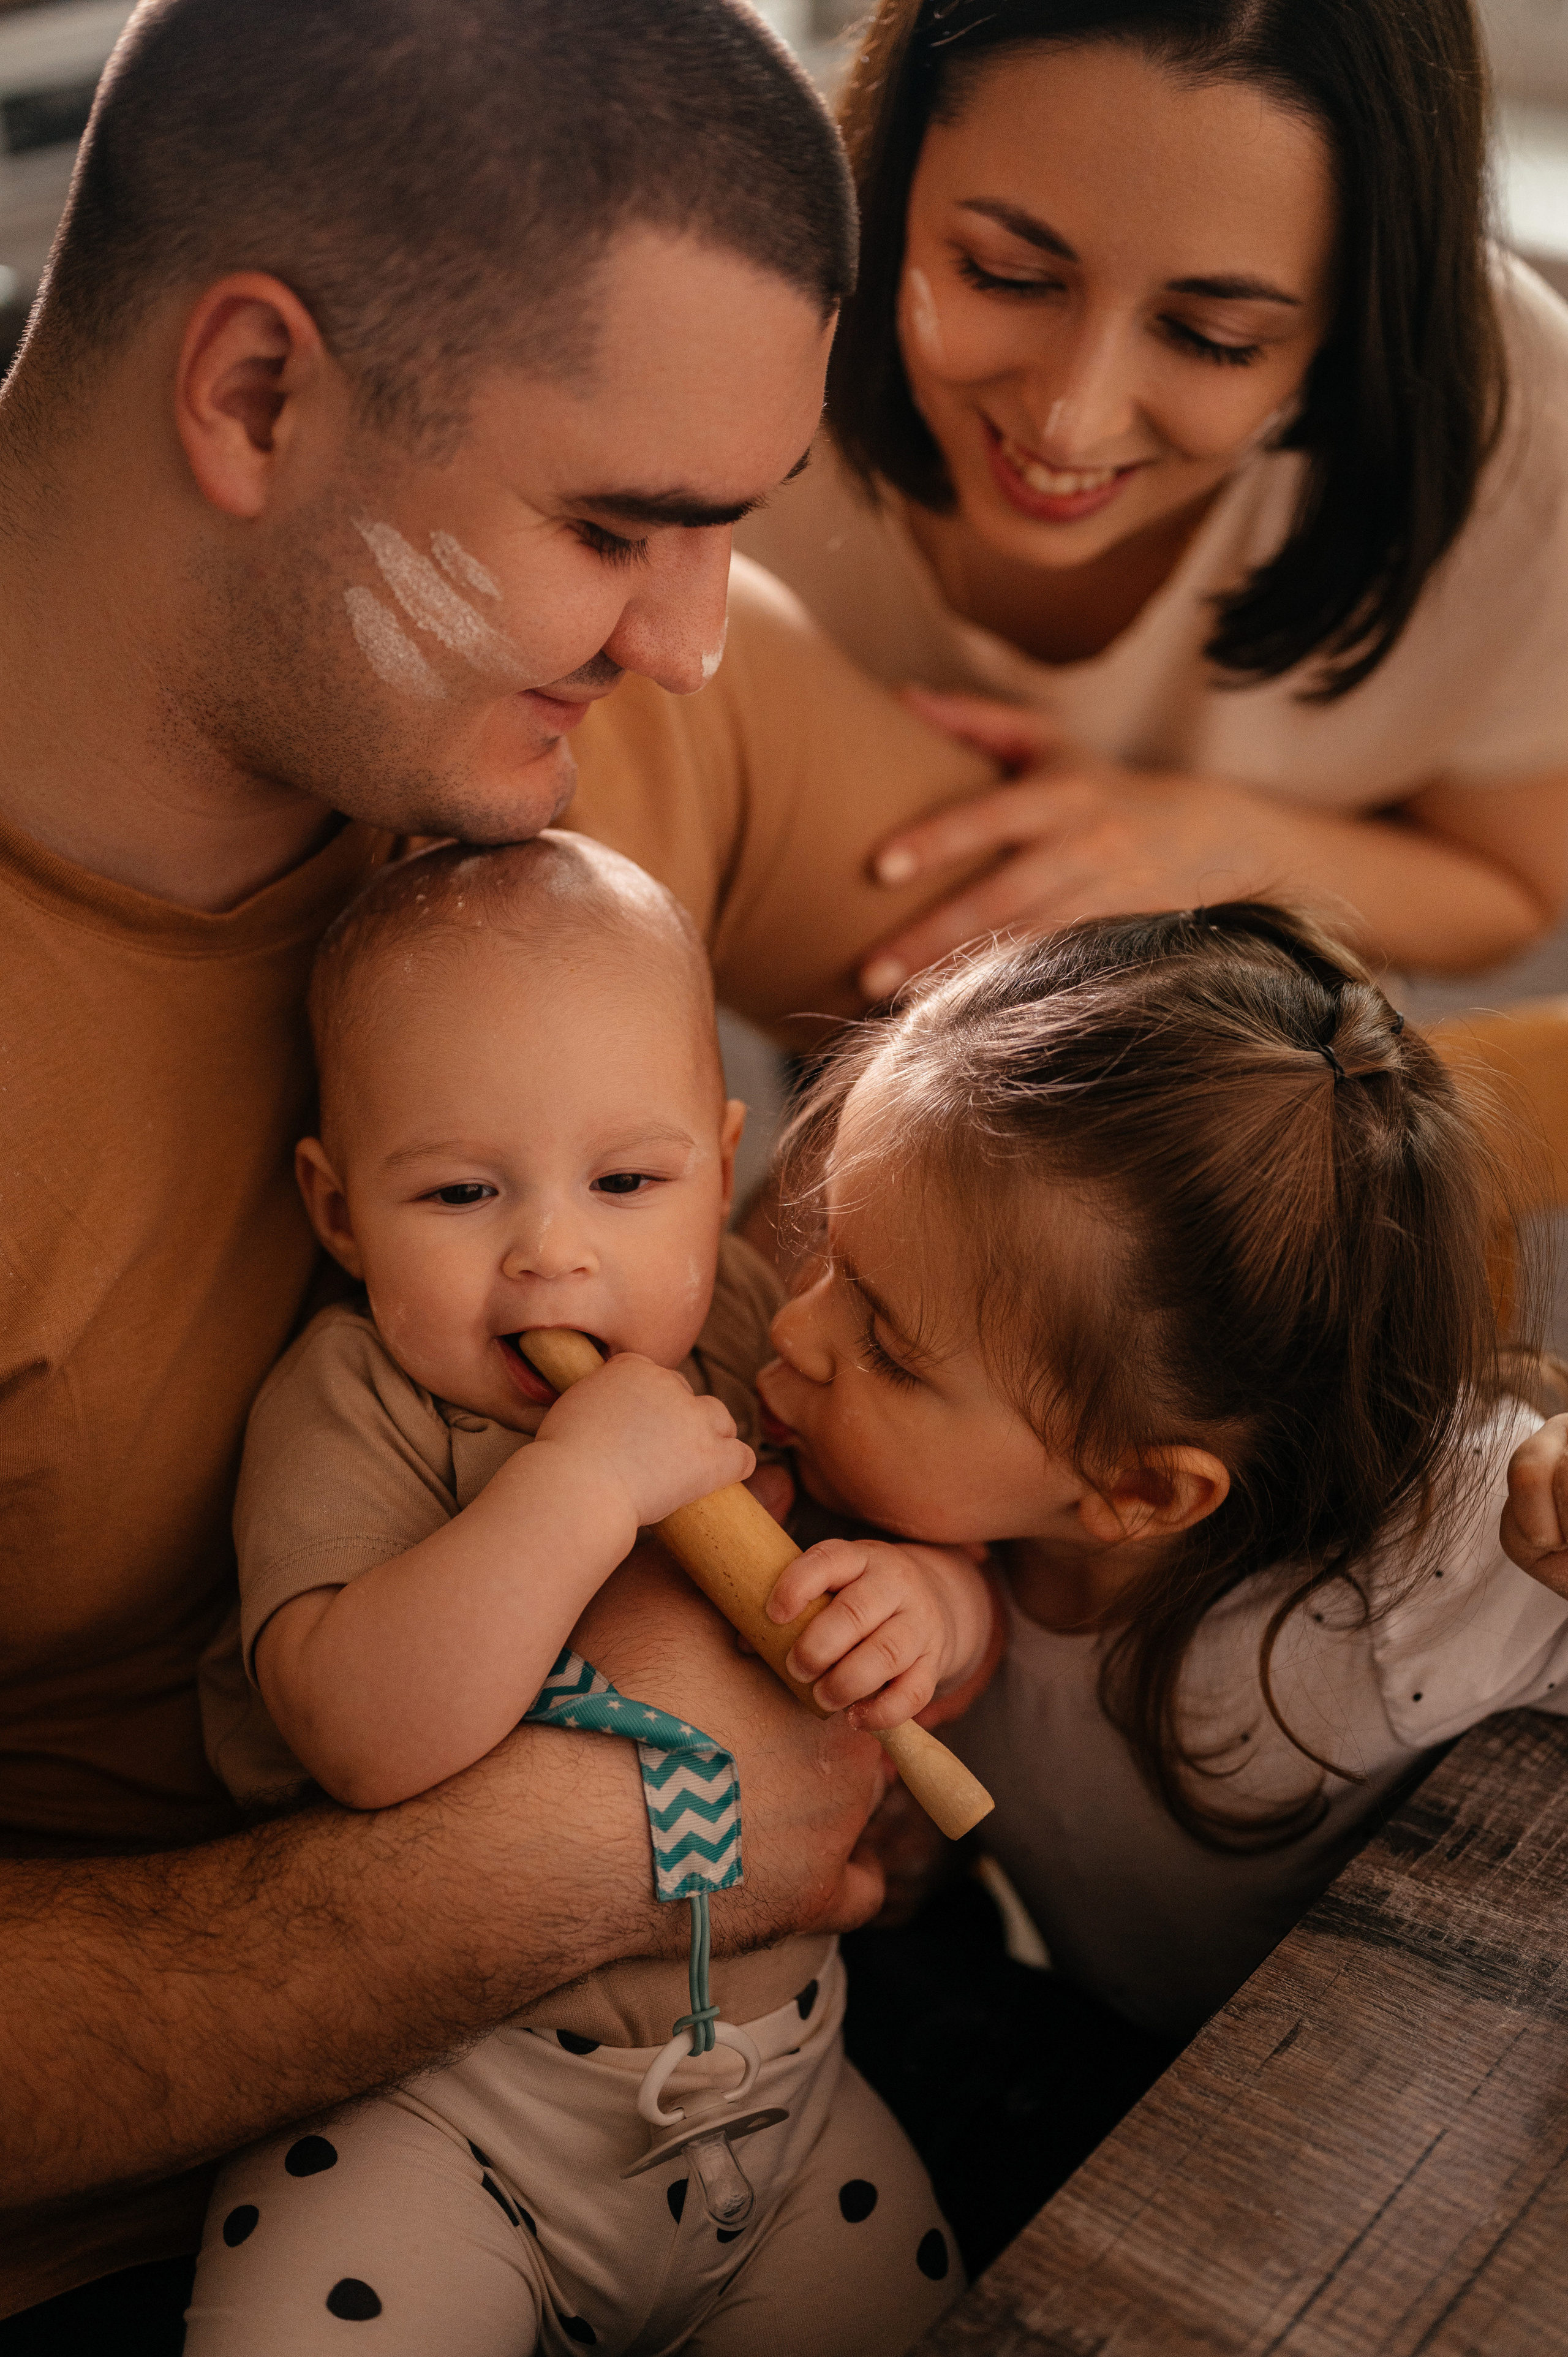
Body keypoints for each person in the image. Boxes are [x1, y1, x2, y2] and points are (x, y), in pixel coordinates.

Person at [0, 0, 1012, 2333]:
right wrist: (563, 1852)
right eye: (616, 528)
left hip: (784, 2075)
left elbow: (1181, 1118)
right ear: (257, 394)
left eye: (723, 537)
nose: (687, 647)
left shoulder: (587, 695)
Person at [178, 833, 964, 2354]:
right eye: (463, 1192)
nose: (551, 1253)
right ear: (339, 1212)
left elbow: (936, 1497)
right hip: (442, 2116)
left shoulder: (752, 1326)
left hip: (786, 2096)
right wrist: (583, 1489)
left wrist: (931, 1600)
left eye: (626, 1181)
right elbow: (361, 1736)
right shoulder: (360, 1401)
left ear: (721, 1167)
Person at [736, 903, 1568, 2259]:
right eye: (825, 1250)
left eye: (884, 1343)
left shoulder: (1420, 1570)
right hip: (1103, 2070)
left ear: (1136, 1490)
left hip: (1374, 2168)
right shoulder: (898, 1515)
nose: (791, 1327)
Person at [737, 0, 1568, 993]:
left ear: (1352, 330)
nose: (1069, 420)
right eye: (1005, 275)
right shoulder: (728, 285)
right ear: (893, 158)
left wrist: (1230, 851)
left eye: (1212, 336)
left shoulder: (1521, 442)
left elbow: (1514, 887)